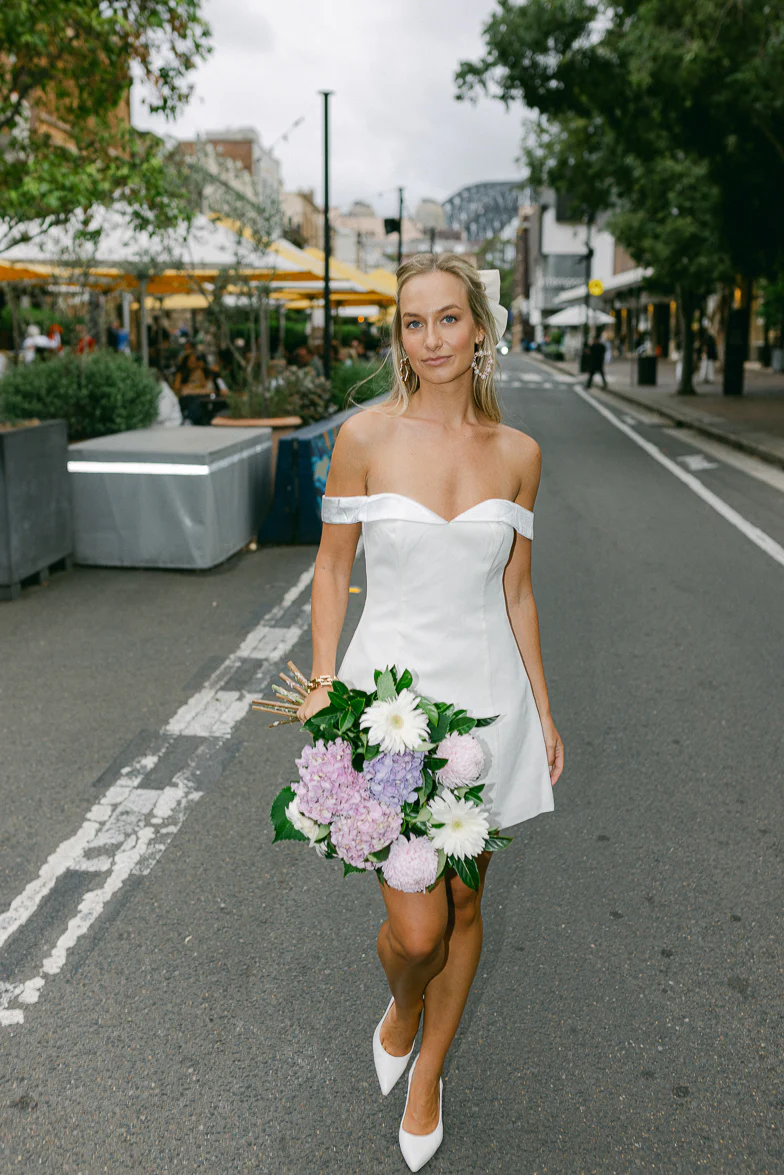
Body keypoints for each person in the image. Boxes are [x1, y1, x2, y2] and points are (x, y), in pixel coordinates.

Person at [296, 253, 564, 1170]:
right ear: (399, 334)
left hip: (490, 708)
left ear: (478, 328)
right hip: (389, 707)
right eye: (414, 323)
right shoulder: (365, 437)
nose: (433, 339)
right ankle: (405, 1002)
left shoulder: (521, 454)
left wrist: (544, 704)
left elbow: (519, 592)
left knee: (466, 897)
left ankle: (428, 1073)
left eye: (449, 319)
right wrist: (328, 677)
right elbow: (333, 567)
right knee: (417, 927)